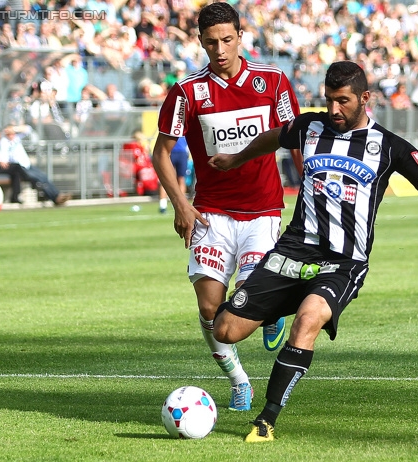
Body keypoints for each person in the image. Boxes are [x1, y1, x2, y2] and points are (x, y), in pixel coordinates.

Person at [207, 61, 418, 442]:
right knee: (225, 330)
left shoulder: (391, 147)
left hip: (343, 264)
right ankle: (276, 311)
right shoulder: (308, 126)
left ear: (365, 98)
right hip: (293, 251)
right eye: (329, 100)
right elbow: (273, 137)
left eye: (343, 101)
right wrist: (235, 158)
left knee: (309, 320)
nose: (334, 110)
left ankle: (267, 419)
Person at [152, 2, 301, 412]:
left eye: (227, 40)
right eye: (211, 42)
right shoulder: (187, 92)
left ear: (241, 37)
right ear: (200, 42)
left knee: (243, 302)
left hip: (263, 211)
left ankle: (274, 307)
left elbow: (296, 139)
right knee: (207, 307)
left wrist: (307, 192)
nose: (220, 50)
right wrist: (181, 204)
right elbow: (160, 153)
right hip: (211, 212)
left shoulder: (272, 82)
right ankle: (238, 380)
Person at [0, 125, 71, 205]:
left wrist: (14, 128)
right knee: (39, 180)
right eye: (10, 133)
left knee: (44, 177)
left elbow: (28, 129)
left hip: (27, 165)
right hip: (20, 168)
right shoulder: (4, 142)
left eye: (13, 133)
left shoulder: (16, 138)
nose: (12, 135)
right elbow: (3, 157)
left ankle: (57, 195)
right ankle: (55, 198)